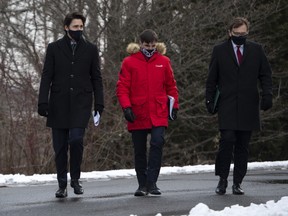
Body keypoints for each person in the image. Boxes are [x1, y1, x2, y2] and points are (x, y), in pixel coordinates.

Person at [38, 12, 104, 198]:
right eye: (75, 27)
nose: (79, 30)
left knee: (76, 140)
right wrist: (43, 101)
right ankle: (61, 184)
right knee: (59, 147)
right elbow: (46, 76)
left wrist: (99, 103)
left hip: (81, 103)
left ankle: (75, 178)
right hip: (58, 103)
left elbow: (96, 78)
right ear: (66, 27)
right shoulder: (54, 48)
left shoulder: (90, 49)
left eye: (81, 27)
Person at [205, 17, 272, 195]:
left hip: (248, 104)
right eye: (236, 34)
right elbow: (212, 78)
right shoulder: (219, 51)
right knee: (227, 140)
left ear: (247, 32)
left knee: (243, 144)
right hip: (227, 103)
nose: (240, 36)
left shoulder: (256, 50)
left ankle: (237, 182)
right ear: (230, 33)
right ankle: (222, 180)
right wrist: (209, 100)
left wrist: (268, 95)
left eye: (243, 34)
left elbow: (265, 74)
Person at [116, 29, 179, 196]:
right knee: (139, 150)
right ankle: (142, 184)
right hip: (137, 111)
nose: (150, 48)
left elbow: (171, 86)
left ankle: (152, 182)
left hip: (159, 111)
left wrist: (175, 105)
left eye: (152, 45)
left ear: (156, 44)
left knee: (157, 143)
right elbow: (122, 87)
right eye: (146, 45)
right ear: (140, 43)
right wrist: (126, 107)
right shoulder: (129, 62)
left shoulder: (164, 61)